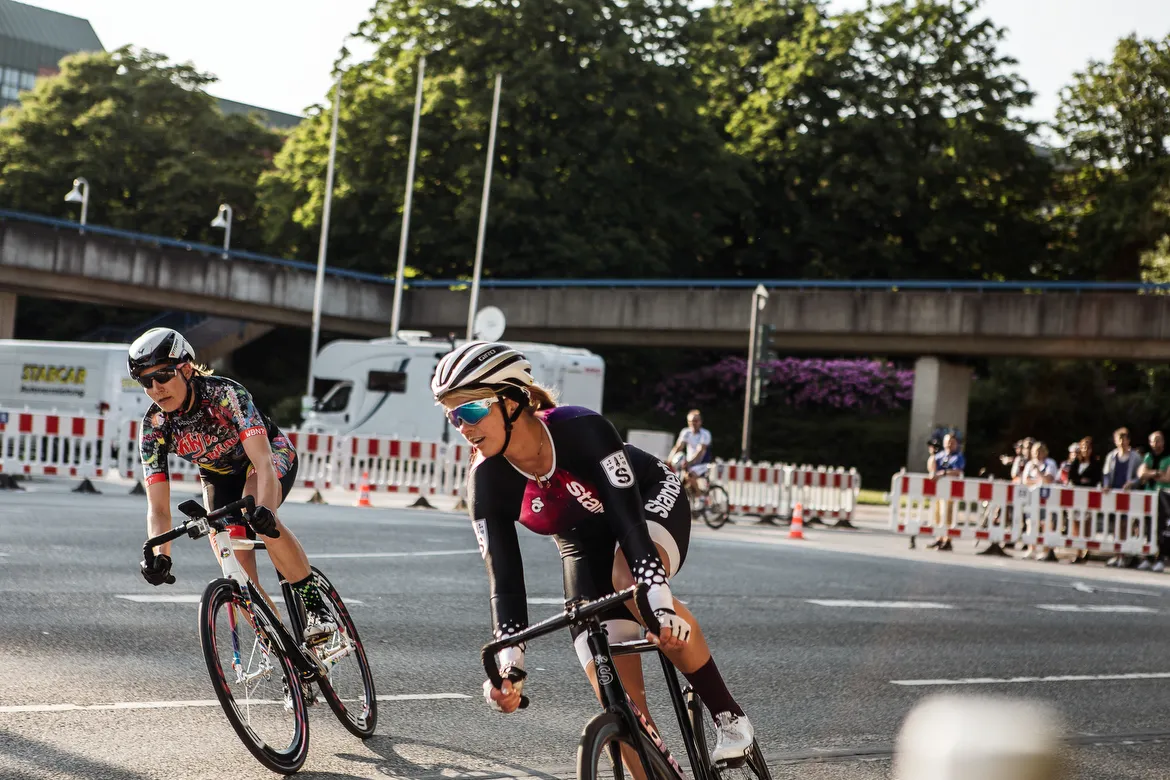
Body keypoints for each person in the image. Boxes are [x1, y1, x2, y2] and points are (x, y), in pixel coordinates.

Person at [432, 341, 755, 763]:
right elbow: (505, 581)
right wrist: (510, 667)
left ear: (513, 401)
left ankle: (730, 717)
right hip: (581, 546)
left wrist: (658, 602)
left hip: (646, 501)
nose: (463, 426)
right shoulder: (487, 482)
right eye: (452, 415)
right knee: (622, 717)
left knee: (631, 583)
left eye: (471, 410)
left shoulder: (581, 429)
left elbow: (631, 528)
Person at [131, 328, 336, 643]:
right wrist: (161, 554)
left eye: (163, 375)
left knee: (259, 515)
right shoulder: (154, 427)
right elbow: (158, 507)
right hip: (219, 477)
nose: (156, 388)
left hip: (265, 460)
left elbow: (264, 463)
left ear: (186, 369)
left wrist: (266, 509)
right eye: (146, 381)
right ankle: (281, 645)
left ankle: (315, 606)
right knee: (236, 566)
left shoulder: (226, 395)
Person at [926, 434, 965, 552]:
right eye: (947, 442)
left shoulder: (958, 457)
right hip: (939, 490)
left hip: (951, 490)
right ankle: (939, 537)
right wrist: (932, 456)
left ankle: (947, 539)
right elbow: (931, 467)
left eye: (952, 442)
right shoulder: (940, 456)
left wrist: (942, 473)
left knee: (948, 515)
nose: (949, 445)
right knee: (938, 514)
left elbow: (957, 471)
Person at [667, 409, 712, 498]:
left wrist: (689, 462)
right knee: (681, 480)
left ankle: (700, 498)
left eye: (695, 421)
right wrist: (669, 460)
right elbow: (678, 447)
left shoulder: (705, 434)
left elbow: (700, 451)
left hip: (702, 463)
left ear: (700, 422)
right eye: (691, 421)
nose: (693, 423)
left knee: (690, 475)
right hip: (688, 463)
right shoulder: (686, 432)